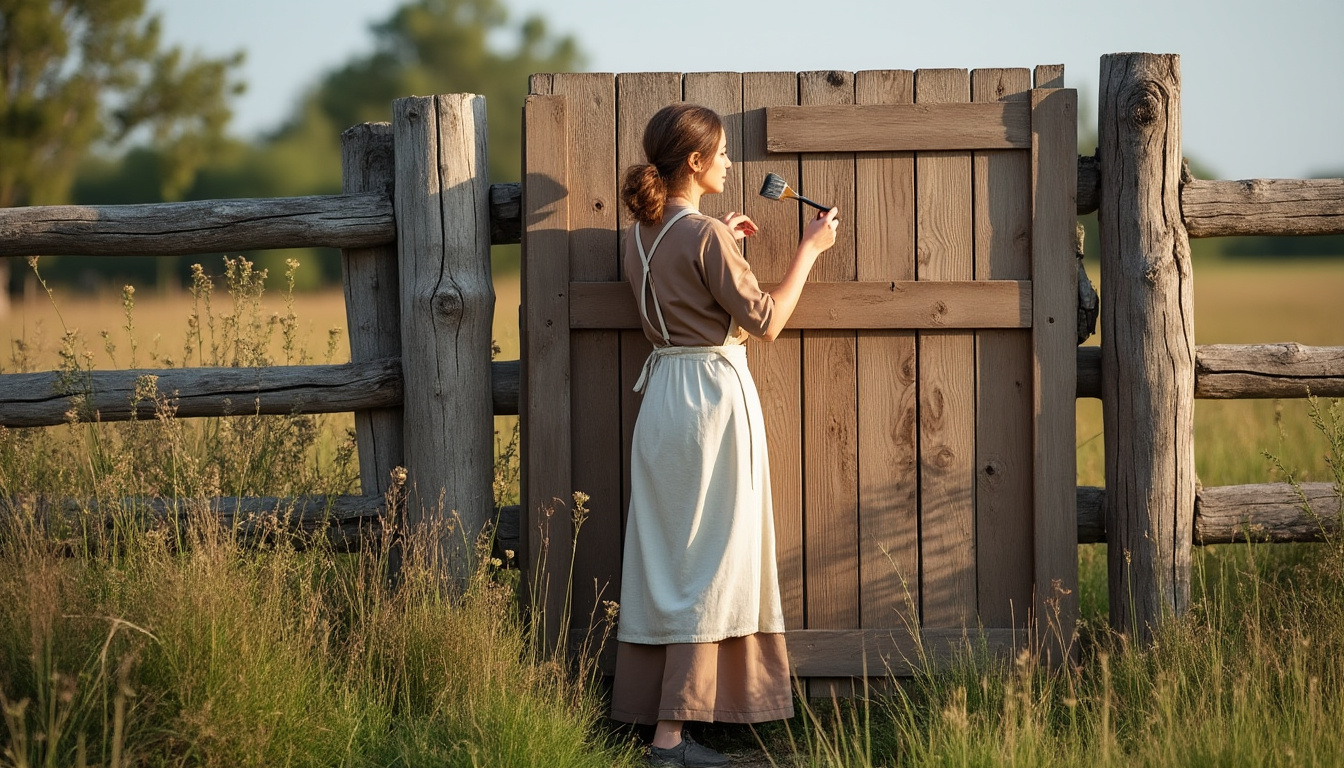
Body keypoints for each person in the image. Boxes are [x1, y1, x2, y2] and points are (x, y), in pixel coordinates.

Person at [610, 102, 838, 768]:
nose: (733, 163)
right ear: (696, 162)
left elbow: (689, 289)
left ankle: (661, 720)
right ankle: (671, 740)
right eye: (725, 153)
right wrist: (808, 250)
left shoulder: (641, 234)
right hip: (711, 403)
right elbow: (766, 320)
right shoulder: (704, 235)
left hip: (662, 407)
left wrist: (727, 243)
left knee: (672, 562)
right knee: (709, 564)